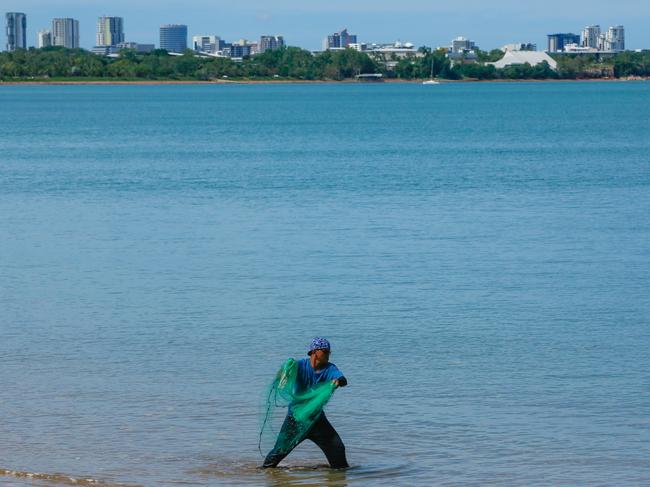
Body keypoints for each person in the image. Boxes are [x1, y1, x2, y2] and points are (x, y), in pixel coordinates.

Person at [262, 337, 349, 469]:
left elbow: (343, 379)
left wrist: (338, 382)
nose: (328, 354)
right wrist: (284, 370)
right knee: (279, 451)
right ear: (315, 352)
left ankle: (340, 478)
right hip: (295, 419)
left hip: (317, 420)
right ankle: (264, 473)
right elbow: (281, 377)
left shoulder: (330, 368)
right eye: (325, 351)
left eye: (329, 352)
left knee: (337, 448)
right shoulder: (299, 366)